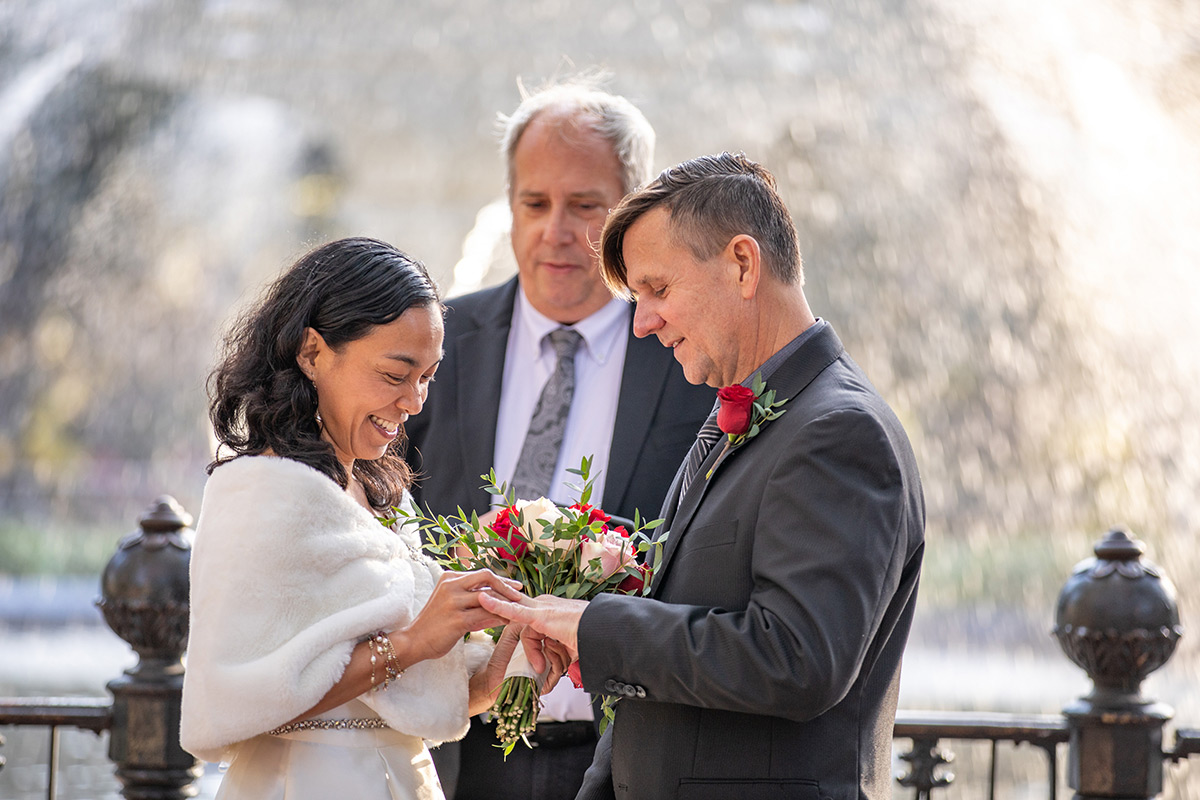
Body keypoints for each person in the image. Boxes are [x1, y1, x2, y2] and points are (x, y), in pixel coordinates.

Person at [479, 153, 927, 800]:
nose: (643, 323)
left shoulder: (840, 434)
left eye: (658, 290)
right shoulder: (740, 418)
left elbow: (798, 659)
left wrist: (595, 626)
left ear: (743, 264)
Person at [403, 80, 715, 800]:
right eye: (535, 204)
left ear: (632, 212)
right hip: (455, 758)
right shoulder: (434, 346)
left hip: (625, 758)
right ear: (508, 206)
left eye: (585, 206)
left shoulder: (690, 357)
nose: (557, 232)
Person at [180, 237, 565, 800]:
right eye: (395, 374)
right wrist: (414, 642)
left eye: (428, 376)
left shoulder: (381, 489)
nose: (415, 402)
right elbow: (231, 703)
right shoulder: (259, 491)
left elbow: (396, 700)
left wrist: (504, 663)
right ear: (312, 353)